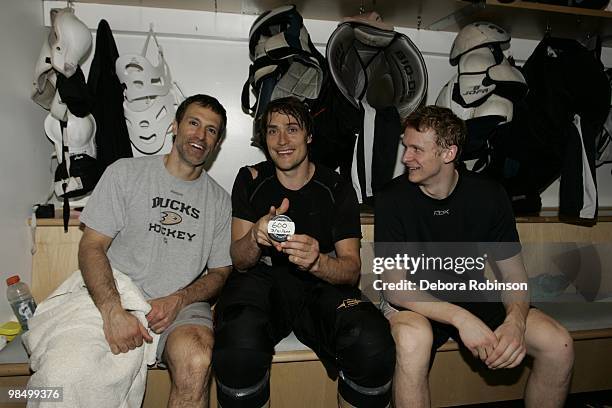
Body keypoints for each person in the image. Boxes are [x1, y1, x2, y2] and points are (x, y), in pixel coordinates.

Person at [30, 94, 232, 408]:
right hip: (117, 289)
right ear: (174, 126)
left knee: (197, 360)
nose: (200, 135)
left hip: (180, 302)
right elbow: (92, 247)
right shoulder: (125, 173)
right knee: (62, 373)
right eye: (193, 123)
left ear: (216, 143)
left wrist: (180, 298)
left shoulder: (219, 201)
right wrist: (112, 310)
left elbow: (220, 272)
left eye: (211, 130)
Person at [374, 105, 574, 408]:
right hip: (413, 301)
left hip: (471, 294)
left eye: (416, 149)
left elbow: (513, 275)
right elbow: (395, 288)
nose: (405, 158)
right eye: (406, 146)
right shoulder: (392, 199)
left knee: (558, 345)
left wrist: (515, 322)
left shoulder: (490, 195)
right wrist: (461, 318)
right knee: (413, 340)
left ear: (448, 152)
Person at [212, 96, 395, 408]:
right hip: (263, 282)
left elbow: (350, 268)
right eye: (272, 131)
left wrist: (318, 261)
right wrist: (256, 236)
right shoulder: (251, 179)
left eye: (292, 129)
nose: (282, 140)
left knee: (372, 344)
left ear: (309, 135)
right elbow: (240, 262)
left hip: (320, 288)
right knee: (238, 346)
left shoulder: (336, 187)